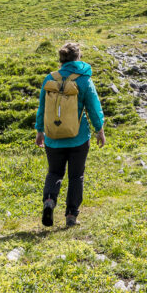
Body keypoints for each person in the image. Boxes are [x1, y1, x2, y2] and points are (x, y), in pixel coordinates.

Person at [35, 42, 106, 227]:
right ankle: (71, 216)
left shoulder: (49, 78)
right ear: (78, 58)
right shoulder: (83, 80)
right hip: (78, 138)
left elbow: (43, 107)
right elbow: (93, 106)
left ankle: (49, 201)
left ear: (61, 59)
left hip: (53, 137)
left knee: (54, 172)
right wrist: (100, 130)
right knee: (76, 176)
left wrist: (39, 130)